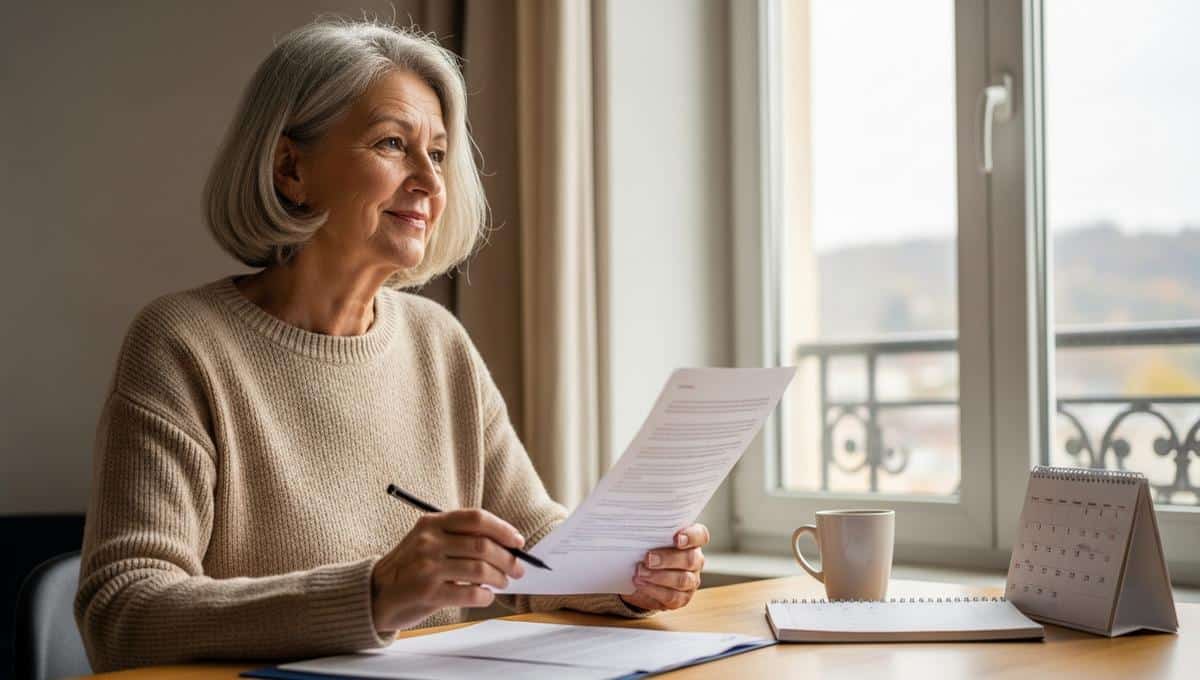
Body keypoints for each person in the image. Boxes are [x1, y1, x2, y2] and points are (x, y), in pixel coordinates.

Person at [74, 18, 709, 673]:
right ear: (291, 168)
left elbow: (533, 541)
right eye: (391, 144)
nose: (431, 184)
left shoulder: (439, 342)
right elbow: (124, 613)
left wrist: (626, 577)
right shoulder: (183, 344)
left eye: (436, 153)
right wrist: (375, 594)